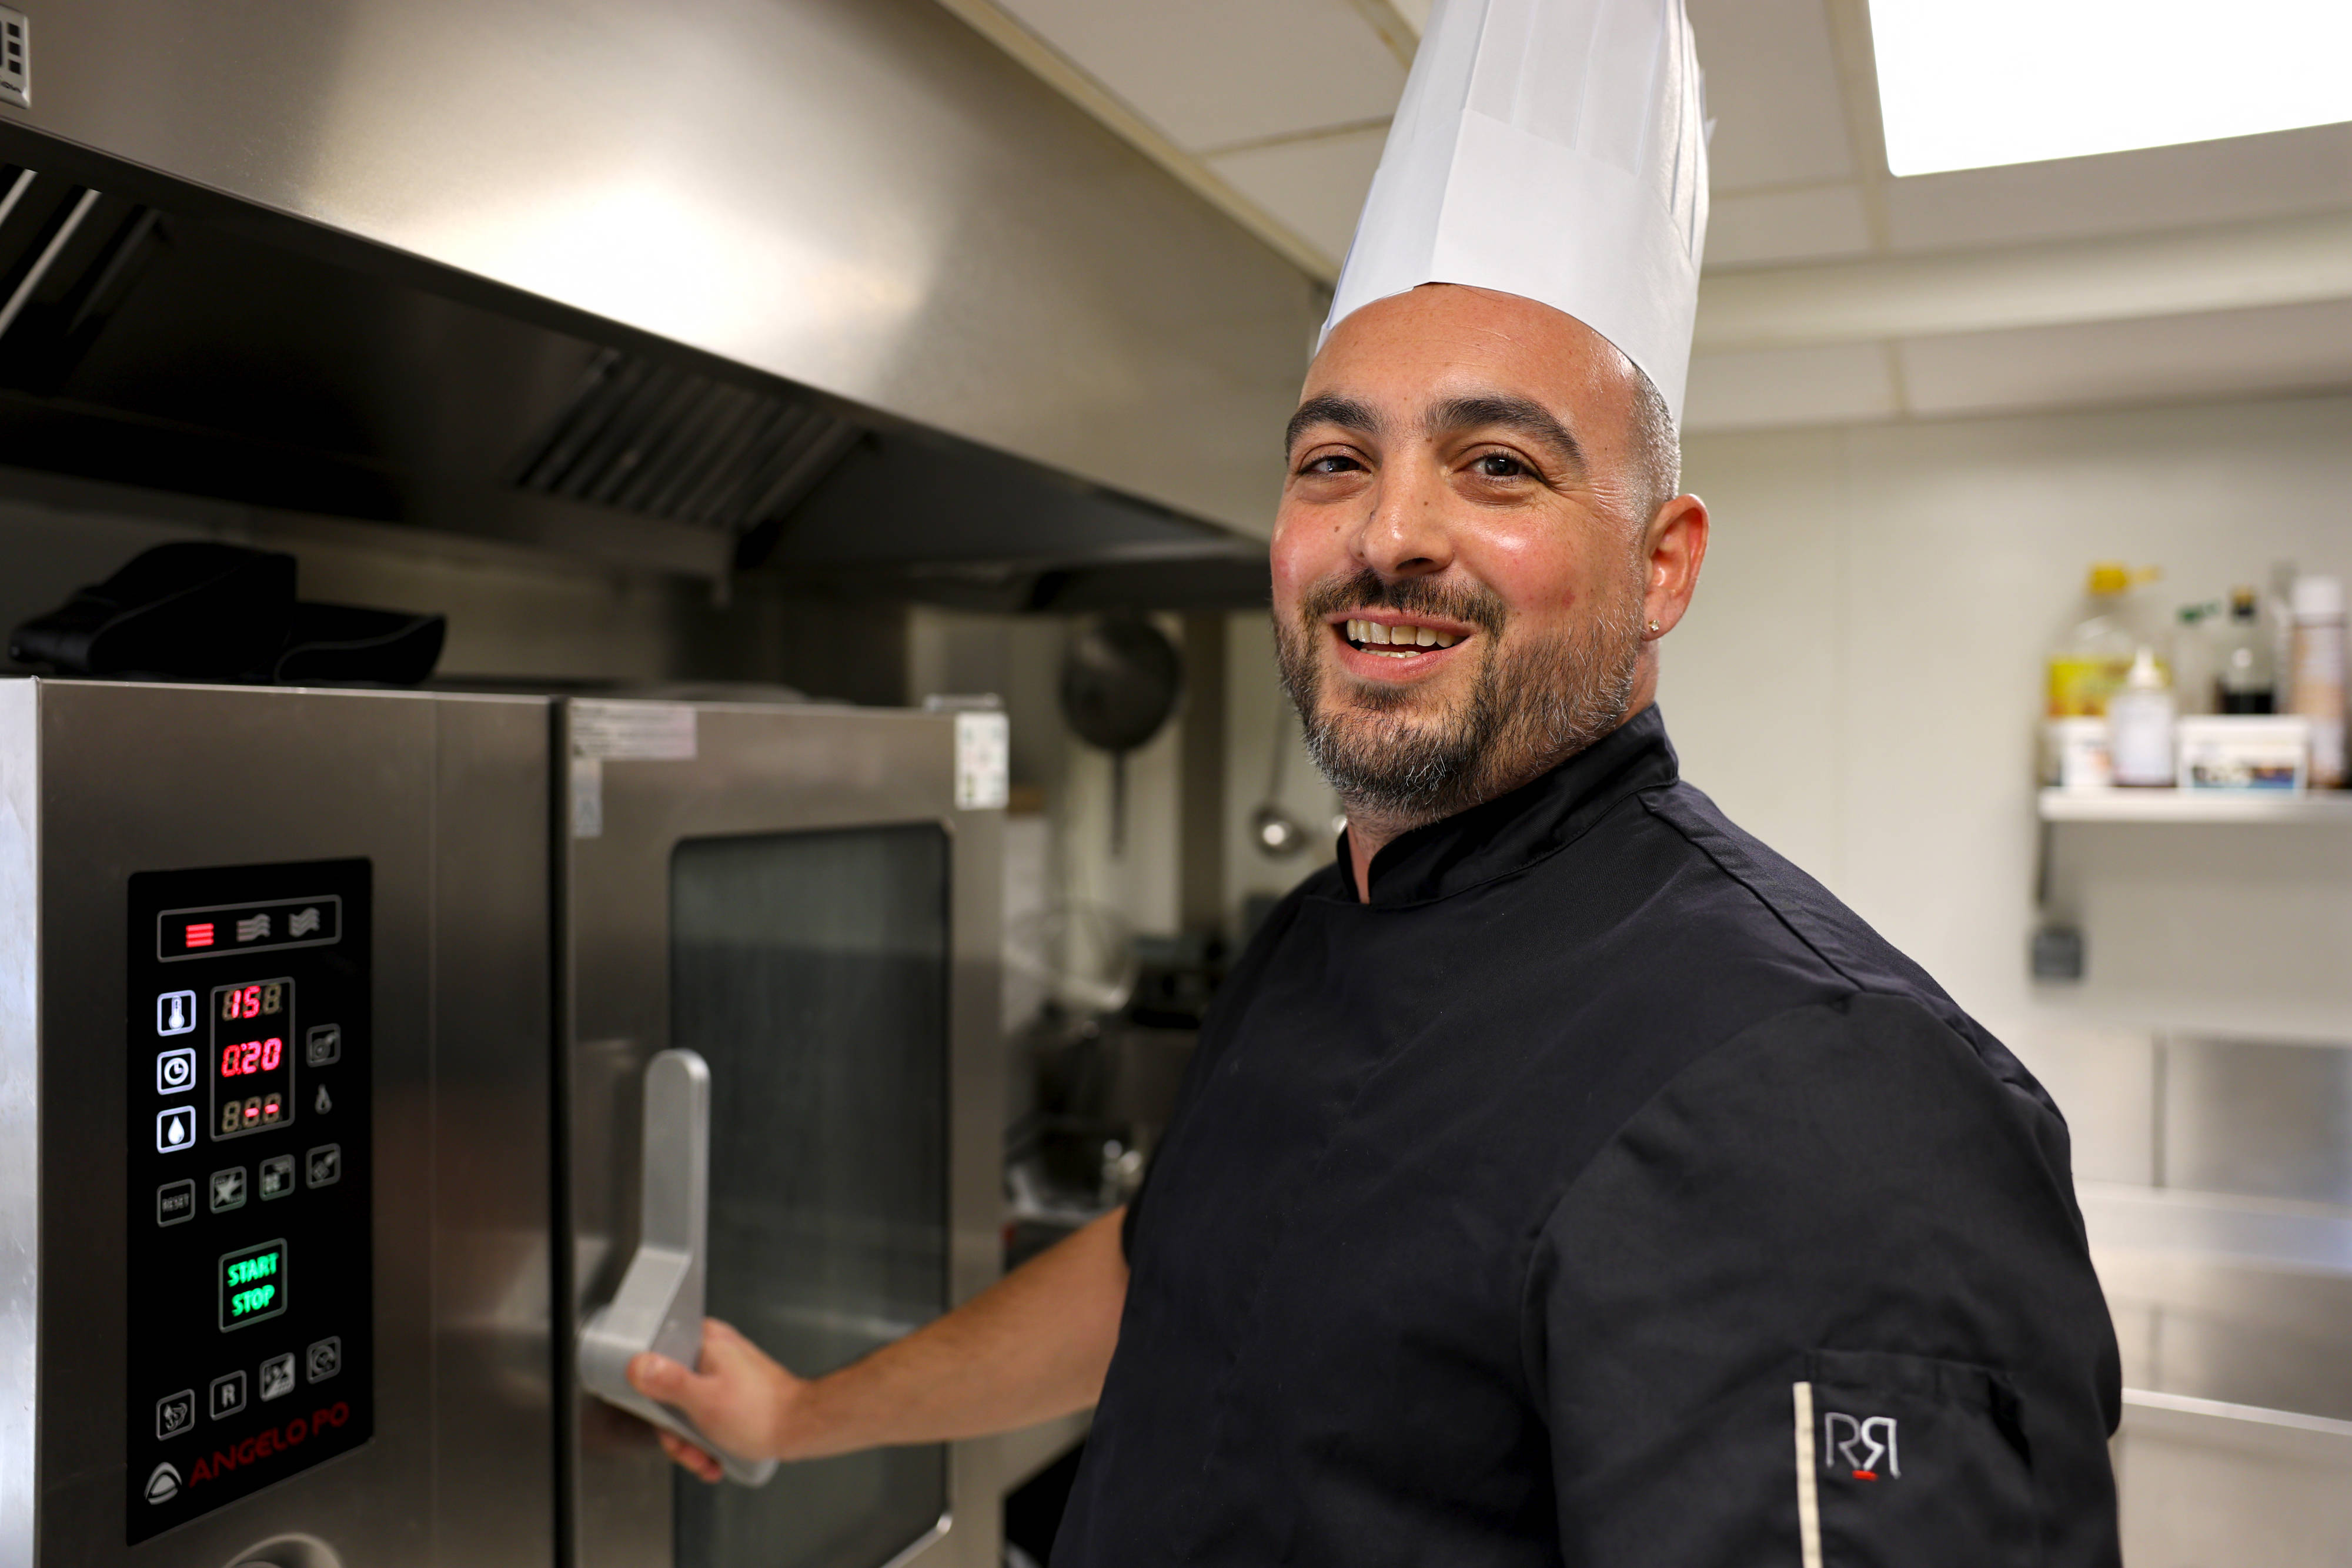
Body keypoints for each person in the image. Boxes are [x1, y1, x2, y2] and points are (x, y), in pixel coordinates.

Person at [628, 1, 2124, 1562]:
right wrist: (806, 1413)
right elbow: (1170, 1276)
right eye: (1335, 460)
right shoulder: (1311, 939)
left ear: (1662, 564)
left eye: (1498, 465)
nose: (1389, 530)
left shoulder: (1829, 1094)